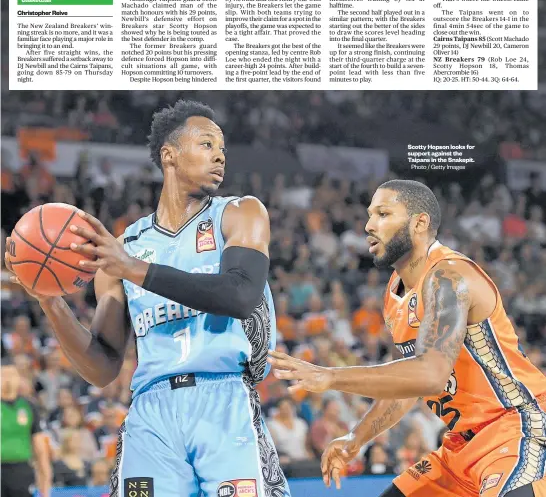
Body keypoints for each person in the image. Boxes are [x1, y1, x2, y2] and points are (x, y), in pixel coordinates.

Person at [5, 100, 290, 497]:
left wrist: (133, 269)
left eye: (222, 148)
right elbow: (103, 367)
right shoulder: (123, 247)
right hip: (151, 411)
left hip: (224, 398)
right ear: (169, 155)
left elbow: (240, 294)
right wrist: (51, 303)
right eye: (207, 144)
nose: (220, 156)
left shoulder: (239, 214)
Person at [268, 179, 546, 497]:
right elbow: (406, 386)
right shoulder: (394, 292)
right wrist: (357, 437)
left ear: (419, 222)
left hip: (516, 427)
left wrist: (330, 376)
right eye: (370, 215)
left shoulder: (448, 277)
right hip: (458, 448)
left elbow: (429, 375)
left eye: (384, 214)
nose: (370, 225)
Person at [1, 358, 52, 497]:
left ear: (18, 378)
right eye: (3, 375)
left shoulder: (29, 406)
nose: (7, 380)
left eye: (11, 375)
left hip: (21, 470)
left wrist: (45, 488)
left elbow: (40, 449)